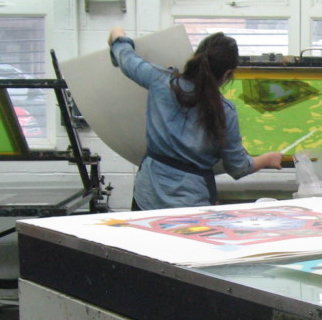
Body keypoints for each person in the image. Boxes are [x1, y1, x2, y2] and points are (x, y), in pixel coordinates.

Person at [108, 27, 283, 210]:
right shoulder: (225, 111)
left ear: (197, 56)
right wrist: (267, 159)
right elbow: (238, 168)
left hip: (148, 195)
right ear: (226, 74)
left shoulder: (161, 81)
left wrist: (117, 36)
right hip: (192, 201)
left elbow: (126, 59)